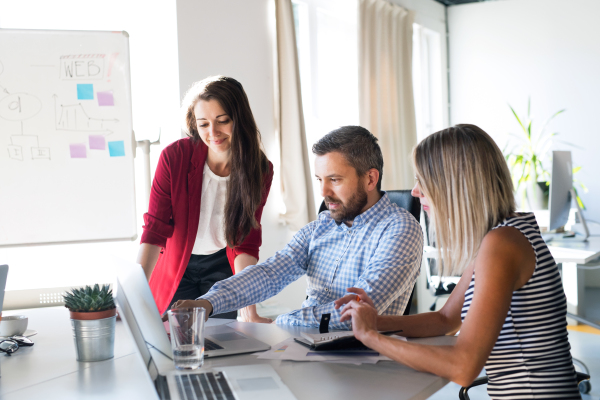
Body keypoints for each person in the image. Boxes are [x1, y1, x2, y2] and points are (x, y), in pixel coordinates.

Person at [335, 125, 581, 399]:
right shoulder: (502, 235)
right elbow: (445, 319)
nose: (415, 192)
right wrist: (375, 321)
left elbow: (464, 367)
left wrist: (371, 337)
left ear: (454, 184)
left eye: (422, 179)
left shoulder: (502, 245)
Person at [167, 126, 423, 329]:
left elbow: (357, 312)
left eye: (334, 180)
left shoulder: (400, 230)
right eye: (320, 180)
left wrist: (284, 322)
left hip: (359, 362)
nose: (324, 193)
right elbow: (270, 274)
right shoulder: (321, 227)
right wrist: (207, 302)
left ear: (370, 178)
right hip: (305, 348)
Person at [137, 76, 274, 323]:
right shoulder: (174, 157)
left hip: (223, 267)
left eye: (223, 121)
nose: (213, 133)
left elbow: (246, 241)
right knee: (176, 340)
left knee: (222, 344)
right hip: (177, 266)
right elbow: (155, 229)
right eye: (203, 124)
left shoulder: (259, 169)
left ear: (239, 119)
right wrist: (134, 293)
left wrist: (249, 307)